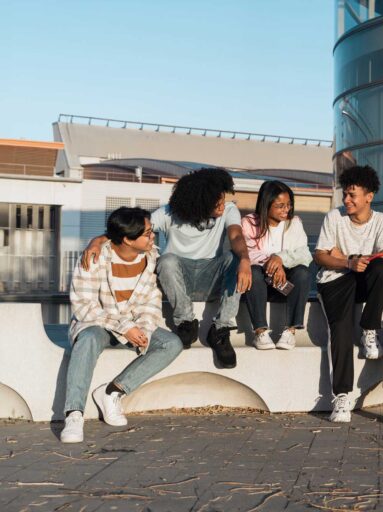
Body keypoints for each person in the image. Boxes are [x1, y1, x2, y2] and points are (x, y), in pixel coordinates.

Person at [82, 168, 252, 369]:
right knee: (167, 259)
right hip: (178, 279)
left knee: (234, 258)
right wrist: (97, 240)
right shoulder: (169, 213)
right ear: (199, 203)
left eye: (223, 201)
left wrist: (245, 259)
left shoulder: (229, 210)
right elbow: (130, 231)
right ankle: (186, 323)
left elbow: (236, 236)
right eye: (217, 204)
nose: (223, 207)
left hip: (211, 275)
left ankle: (221, 330)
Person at [61, 207, 183, 443]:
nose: (153, 237)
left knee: (171, 343)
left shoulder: (152, 258)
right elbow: (83, 305)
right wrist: (123, 327)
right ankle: (74, 414)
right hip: (97, 323)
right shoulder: (94, 256)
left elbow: (151, 302)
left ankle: (113, 392)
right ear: (127, 239)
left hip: (134, 325)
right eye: (147, 233)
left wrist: (144, 329)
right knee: (88, 339)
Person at [314, 165, 383, 423]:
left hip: (362, 280)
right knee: (341, 330)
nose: (346, 200)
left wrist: (347, 256)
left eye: (352, 195)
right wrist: (347, 262)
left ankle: (370, 330)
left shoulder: (381, 221)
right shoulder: (334, 218)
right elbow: (321, 256)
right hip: (335, 282)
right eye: (345, 195)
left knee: (380, 267)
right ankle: (342, 397)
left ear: (369, 196)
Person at [241, 180, 312, 350]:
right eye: (280, 205)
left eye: (288, 204)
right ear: (266, 204)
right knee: (254, 270)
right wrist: (272, 263)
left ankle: (290, 331)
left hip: (285, 287)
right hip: (259, 287)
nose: (286, 209)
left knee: (302, 272)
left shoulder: (294, 223)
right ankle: (260, 332)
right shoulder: (249, 223)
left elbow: (305, 254)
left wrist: (280, 258)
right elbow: (247, 252)